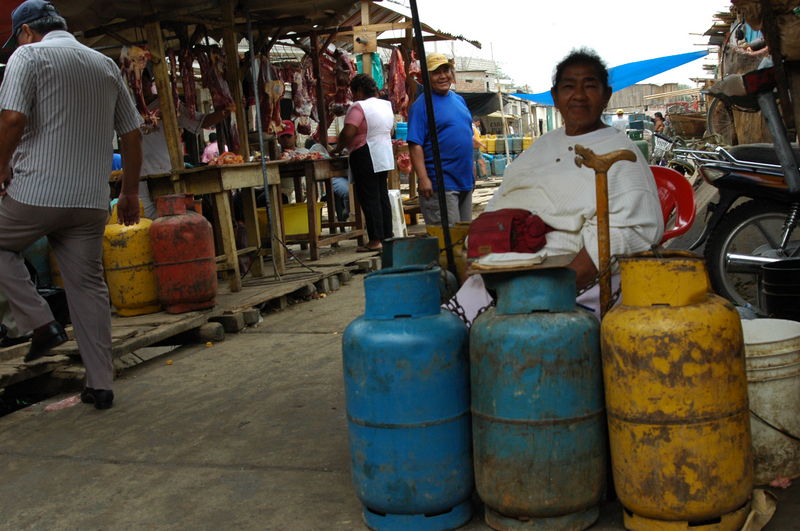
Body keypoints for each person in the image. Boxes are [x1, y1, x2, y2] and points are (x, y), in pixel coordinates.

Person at [448, 48, 663, 321]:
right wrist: (476, 250)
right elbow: (503, 199)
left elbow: (628, 230)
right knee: (445, 339)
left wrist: (550, 289)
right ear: (555, 96)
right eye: (569, 87)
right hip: (501, 270)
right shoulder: (544, 144)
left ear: (606, 95)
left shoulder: (620, 151)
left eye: (590, 86)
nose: (579, 95)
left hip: (575, 283)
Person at [0, 0, 143, 410]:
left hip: (36, 193)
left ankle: (40, 322)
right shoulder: (104, 65)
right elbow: (131, 135)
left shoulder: (28, 55)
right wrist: (129, 194)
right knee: (88, 287)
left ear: (26, 31)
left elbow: (11, 120)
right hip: (90, 199)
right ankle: (100, 385)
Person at [139, 71, 230, 219]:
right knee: (146, 222)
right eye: (135, 82)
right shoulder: (130, 108)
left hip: (166, 174)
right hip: (139, 178)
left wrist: (226, 110)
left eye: (142, 81)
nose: (140, 87)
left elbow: (201, 121)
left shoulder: (169, 105)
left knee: (171, 219)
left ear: (150, 83)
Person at [407, 53, 474, 226]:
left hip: (464, 180)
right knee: (447, 239)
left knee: (464, 238)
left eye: (446, 70)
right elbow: (415, 145)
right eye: (436, 72)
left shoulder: (459, 100)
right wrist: (423, 178)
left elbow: (467, 135)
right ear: (426, 77)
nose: (443, 76)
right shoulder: (421, 106)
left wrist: (472, 167)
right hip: (440, 184)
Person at [331, 74, 395, 251]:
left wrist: (337, 149)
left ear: (358, 90)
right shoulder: (385, 105)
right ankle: (387, 237)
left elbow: (348, 132)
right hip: (384, 152)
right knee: (381, 196)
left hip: (364, 152)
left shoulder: (358, 107)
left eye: (353, 91)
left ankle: (375, 239)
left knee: (368, 197)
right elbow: (390, 131)